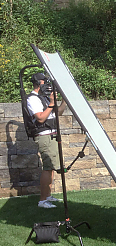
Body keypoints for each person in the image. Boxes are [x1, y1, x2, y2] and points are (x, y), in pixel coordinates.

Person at [27, 73, 67, 208]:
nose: (47, 85)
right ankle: (42, 200)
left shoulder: (43, 98)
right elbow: (40, 118)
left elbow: (58, 113)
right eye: (45, 82)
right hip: (44, 137)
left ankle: (48, 196)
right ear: (38, 83)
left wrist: (63, 101)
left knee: (51, 168)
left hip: (52, 135)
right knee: (48, 168)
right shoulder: (33, 99)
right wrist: (51, 103)